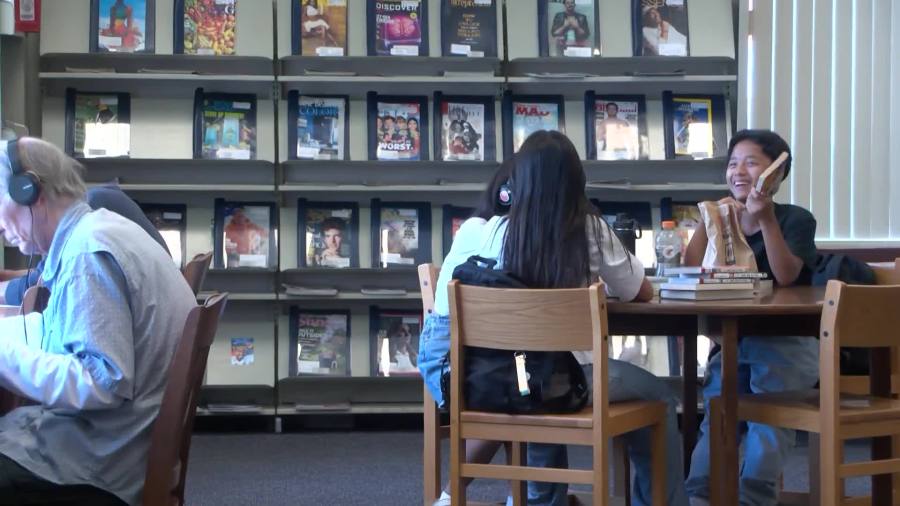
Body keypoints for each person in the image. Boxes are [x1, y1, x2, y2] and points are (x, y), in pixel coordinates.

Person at [419, 131, 688, 506]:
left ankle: (532, 498)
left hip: (464, 374)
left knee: (536, 372)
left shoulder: (478, 230)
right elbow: (638, 291)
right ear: (577, 181)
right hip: (535, 379)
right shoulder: (588, 230)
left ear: (516, 181)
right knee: (658, 395)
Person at [0, 137, 196, 505]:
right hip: (120, 444)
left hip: (99, 466)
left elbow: (99, 384)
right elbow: (69, 330)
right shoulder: (98, 229)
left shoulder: (87, 254)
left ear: (29, 192)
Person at [682, 130, 818, 506]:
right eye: (732, 163)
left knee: (768, 424)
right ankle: (701, 496)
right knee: (716, 419)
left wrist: (767, 220)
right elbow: (690, 271)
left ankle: (754, 498)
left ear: (774, 172)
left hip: (786, 342)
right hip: (731, 340)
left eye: (751, 162)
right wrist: (707, 221)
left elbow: (786, 274)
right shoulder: (723, 220)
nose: (738, 171)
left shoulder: (795, 219)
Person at [0, 184, 170, 306]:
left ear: (28, 193)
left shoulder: (89, 220)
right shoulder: (94, 204)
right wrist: (8, 275)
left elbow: (42, 287)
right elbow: (45, 272)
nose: (6, 232)